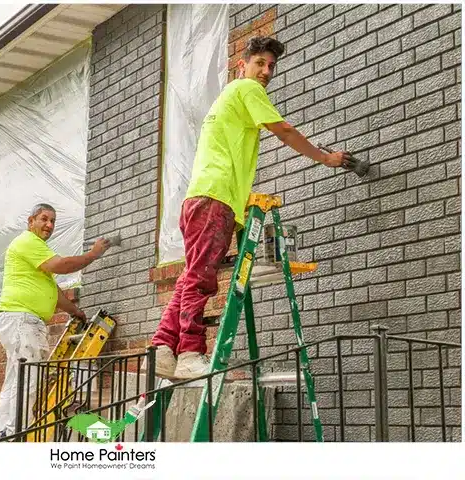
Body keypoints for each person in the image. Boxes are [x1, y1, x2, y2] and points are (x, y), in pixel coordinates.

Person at [149, 36, 352, 380]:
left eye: (271, 66)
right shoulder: (246, 89)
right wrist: (325, 157)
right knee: (200, 280)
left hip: (203, 199)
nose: (266, 71)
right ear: (241, 65)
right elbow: (284, 130)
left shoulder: (229, 100)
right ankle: (190, 353)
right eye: (260, 63)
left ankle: (163, 349)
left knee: (189, 278)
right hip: (215, 200)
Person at [0, 203, 112, 441]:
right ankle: (16, 435)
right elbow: (62, 266)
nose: (49, 225)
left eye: (53, 221)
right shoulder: (27, 242)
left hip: (18, 320)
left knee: (16, 378)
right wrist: (93, 254)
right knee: (29, 377)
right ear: (31, 220)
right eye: (44, 219)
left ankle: (2, 432)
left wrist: (75, 311)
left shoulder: (37, 253)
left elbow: (53, 293)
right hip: (21, 319)